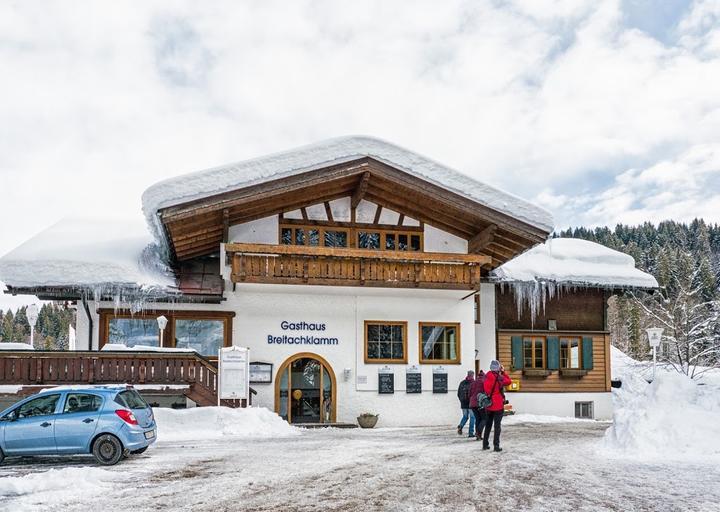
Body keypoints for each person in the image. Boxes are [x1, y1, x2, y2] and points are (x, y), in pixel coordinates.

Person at [482, 360, 512, 452]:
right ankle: (496, 445)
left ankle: (485, 444)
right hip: (498, 404)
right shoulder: (499, 378)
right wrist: (503, 372)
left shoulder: (486, 377)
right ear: (498, 368)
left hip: (489, 404)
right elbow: (509, 381)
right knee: (497, 426)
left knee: (488, 425)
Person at [456, 370, 475, 437]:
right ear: (472, 375)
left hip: (463, 403)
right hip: (471, 404)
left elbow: (458, 393)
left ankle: (461, 426)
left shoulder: (462, 383)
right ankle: (471, 433)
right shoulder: (473, 383)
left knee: (465, 416)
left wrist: (461, 401)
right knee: (472, 417)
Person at [468, 370, 486, 441]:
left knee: (478, 419)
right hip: (480, 402)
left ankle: (478, 435)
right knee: (484, 418)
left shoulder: (473, 382)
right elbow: (486, 392)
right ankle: (478, 433)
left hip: (472, 403)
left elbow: (469, 394)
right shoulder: (484, 382)